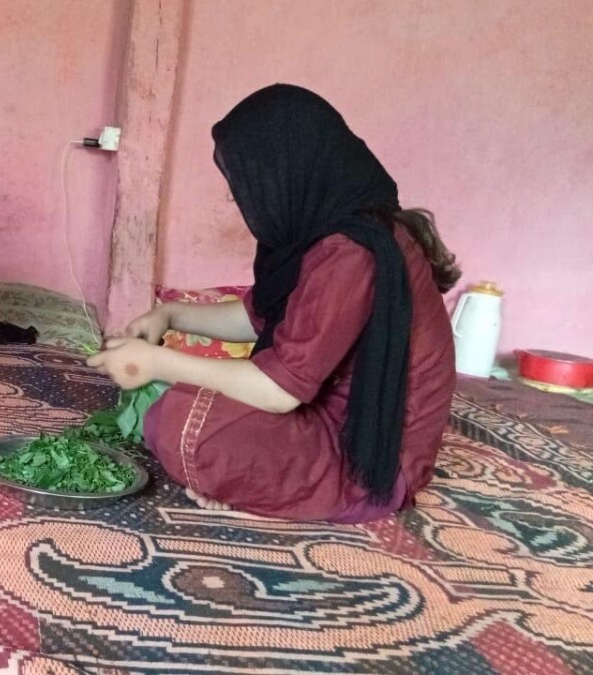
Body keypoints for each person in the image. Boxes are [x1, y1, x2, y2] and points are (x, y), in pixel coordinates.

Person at [89, 84, 460, 522]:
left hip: (366, 457)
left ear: (290, 171)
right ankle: (256, 485)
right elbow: (259, 318)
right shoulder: (327, 232)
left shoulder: (351, 252)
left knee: (182, 421)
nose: (237, 198)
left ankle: (292, 491)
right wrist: (169, 315)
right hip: (332, 418)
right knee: (187, 403)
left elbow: (279, 391)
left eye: (248, 180)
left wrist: (154, 363)